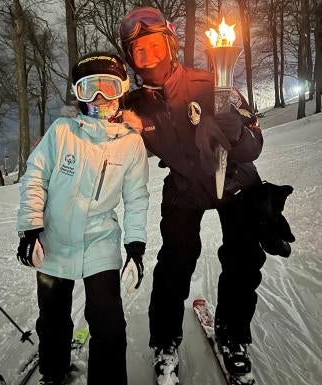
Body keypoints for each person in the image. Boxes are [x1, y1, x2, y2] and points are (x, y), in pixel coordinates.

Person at [119, 7, 295, 384]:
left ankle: (233, 335)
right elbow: (106, 137)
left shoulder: (211, 82)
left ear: (170, 43)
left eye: (154, 47)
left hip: (235, 184)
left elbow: (255, 145)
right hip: (185, 187)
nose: (149, 58)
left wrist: (232, 130)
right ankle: (165, 342)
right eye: (139, 52)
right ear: (131, 59)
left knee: (244, 260)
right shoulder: (135, 106)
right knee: (175, 262)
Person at [16, 53, 149, 385]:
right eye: (89, 88)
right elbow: (35, 175)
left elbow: (136, 198)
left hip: (99, 240)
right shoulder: (62, 131)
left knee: (109, 323)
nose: (100, 97)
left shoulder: (132, 143)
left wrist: (135, 246)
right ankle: (54, 371)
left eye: (108, 87)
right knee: (52, 318)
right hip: (55, 240)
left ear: (122, 90)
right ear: (78, 93)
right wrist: (31, 228)